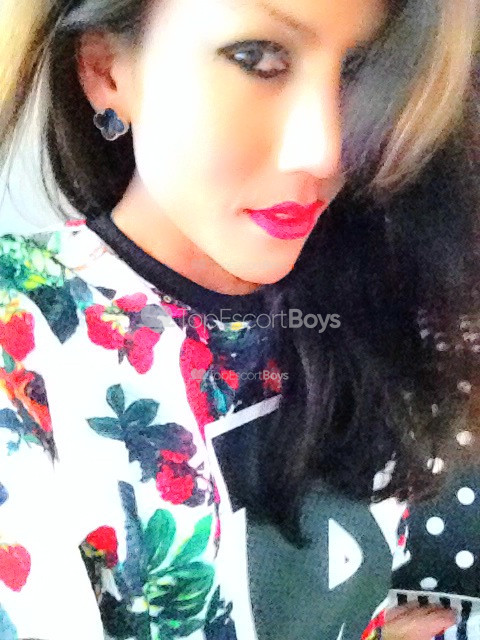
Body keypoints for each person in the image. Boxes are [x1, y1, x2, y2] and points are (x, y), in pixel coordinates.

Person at [0, 0, 477, 639]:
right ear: (107, 71)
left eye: (359, 73)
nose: (324, 152)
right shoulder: (25, 347)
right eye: (256, 58)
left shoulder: (377, 286)